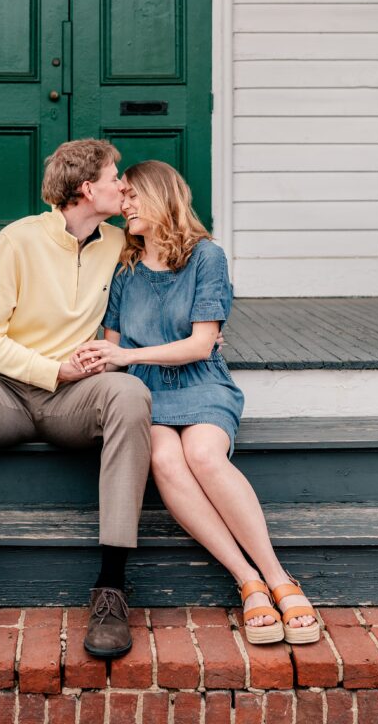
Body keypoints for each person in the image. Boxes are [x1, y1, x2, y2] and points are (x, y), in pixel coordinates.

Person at [0, 139, 153, 666]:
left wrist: (204, 329)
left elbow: (177, 260)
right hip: (4, 392)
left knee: (131, 394)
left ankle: (112, 589)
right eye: (115, 178)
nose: (123, 187)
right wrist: (53, 369)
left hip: (76, 399)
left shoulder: (120, 242)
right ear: (87, 188)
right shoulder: (15, 242)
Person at [73, 161, 320, 645]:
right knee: (165, 459)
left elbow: (202, 344)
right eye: (122, 197)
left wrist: (128, 355)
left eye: (133, 196)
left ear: (161, 196)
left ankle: (279, 578)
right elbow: (112, 348)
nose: (124, 206)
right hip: (145, 388)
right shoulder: (124, 270)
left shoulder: (207, 257)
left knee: (203, 454)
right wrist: (86, 362)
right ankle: (248, 581)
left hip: (201, 380)